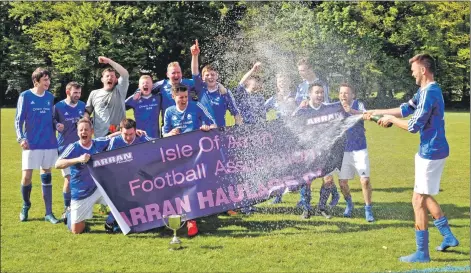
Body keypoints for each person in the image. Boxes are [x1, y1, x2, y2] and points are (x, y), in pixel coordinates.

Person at [365, 53, 458, 263]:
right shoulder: (424, 91)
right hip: (431, 150)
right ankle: (448, 236)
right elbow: (405, 109)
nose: (412, 72)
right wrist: (376, 112)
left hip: (431, 152)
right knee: (424, 195)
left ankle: (422, 253)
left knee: (417, 200)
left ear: (423, 70)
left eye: (414, 69)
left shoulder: (430, 93)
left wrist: (389, 120)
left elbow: (413, 126)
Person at [162, 84, 216, 236]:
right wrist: (170, 134)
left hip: (195, 154)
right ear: (173, 97)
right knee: (179, 186)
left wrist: (207, 127)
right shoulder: (169, 111)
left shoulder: (196, 106)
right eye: (181, 97)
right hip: (176, 155)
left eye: (186, 97)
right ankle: (180, 216)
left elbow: (213, 123)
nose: (184, 100)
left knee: (194, 185)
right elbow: (164, 133)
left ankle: (192, 220)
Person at [15, 67, 60, 224]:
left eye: (48, 79)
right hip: (31, 143)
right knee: (26, 177)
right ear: (36, 81)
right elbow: (18, 120)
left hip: (48, 142)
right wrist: (21, 138)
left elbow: (52, 117)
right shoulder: (25, 96)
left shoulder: (50, 97)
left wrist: (57, 125)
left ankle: (49, 213)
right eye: (45, 80)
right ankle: (26, 205)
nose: (48, 82)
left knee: (46, 175)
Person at [292, 83, 343, 219]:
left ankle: (321, 207)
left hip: (326, 153)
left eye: (321, 92)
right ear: (310, 94)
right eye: (317, 92)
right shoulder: (302, 111)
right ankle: (306, 209)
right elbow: (291, 127)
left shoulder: (330, 109)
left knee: (328, 180)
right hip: (308, 152)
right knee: (306, 181)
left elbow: (345, 107)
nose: (320, 95)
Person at [55, 118, 113, 234]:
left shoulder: (98, 143)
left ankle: (110, 222)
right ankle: (70, 212)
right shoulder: (74, 147)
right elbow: (57, 164)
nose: (83, 132)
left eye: (86, 130)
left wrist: (131, 132)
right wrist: (78, 159)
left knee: (121, 199)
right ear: (77, 133)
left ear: (91, 131)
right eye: (80, 130)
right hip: (81, 193)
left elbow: (111, 138)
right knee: (77, 231)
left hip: (98, 188)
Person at [104, 118, 153, 233]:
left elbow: (157, 143)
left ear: (136, 131)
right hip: (120, 177)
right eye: (125, 134)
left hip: (140, 175)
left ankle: (140, 220)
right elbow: (108, 161)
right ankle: (111, 220)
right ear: (120, 132)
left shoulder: (142, 138)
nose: (128, 137)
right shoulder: (114, 141)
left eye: (131, 134)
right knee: (123, 197)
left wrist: (170, 135)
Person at [337, 83, 374, 222]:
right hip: (343, 151)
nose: (343, 96)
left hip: (359, 149)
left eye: (346, 93)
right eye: (341, 93)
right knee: (342, 183)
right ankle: (349, 204)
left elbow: (366, 115)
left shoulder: (358, 105)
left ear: (353, 95)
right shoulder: (335, 107)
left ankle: (368, 209)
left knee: (364, 180)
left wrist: (351, 111)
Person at [190, 39, 243, 127]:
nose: (210, 77)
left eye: (212, 74)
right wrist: (195, 56)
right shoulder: (200, 88)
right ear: (202, 78)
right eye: (207, 75)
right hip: (202, 134)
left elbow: (236, 114)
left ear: (217, 76)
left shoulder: (224, 92)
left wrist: (238, 130)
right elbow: (195, 72)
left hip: (219, 134)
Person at [54, 81, 86, 220]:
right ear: (68, 92)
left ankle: (81, 205)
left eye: (79, 93)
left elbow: (87, 122)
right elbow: (51, 120)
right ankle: (67, 208)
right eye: (75, 93)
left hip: (80, 148)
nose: (77, 95)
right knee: (69, 179)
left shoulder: (82, 105)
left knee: (81, 179)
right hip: (64, 149)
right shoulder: (58, 106)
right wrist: (56, 125)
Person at [85, 56, 129, 137]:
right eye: (107, 76)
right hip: (100, 137)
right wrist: (85, 123)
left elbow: (125, 74)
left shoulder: (120, 90)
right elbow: (87, 111)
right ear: (102, 79)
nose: (110, 78)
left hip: (118, 135)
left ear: (116, 80)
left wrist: (109, 61)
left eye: (112, 76)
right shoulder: (94, 93)